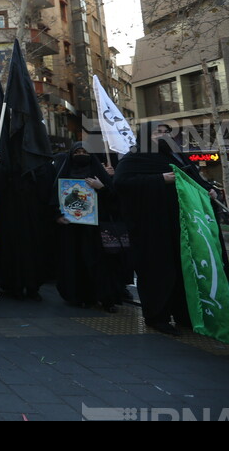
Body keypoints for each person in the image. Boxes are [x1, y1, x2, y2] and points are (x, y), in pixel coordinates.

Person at [114, 122, 223, 335]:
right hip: (152, 228)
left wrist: (209, 190)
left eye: (166, 133)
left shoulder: (176, 156)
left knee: (184, 270)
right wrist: (159, 179)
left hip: (182, 225)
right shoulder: (134, 158)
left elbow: (194, 178)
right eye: (158, 132)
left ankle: (185, 315)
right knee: (157, 271)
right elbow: (121, 184)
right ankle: (157, 317)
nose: (163, 136)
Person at [52, 142, 126, 313]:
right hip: (72, 232)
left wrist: (101, 188)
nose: (80, 154)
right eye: (77, 152)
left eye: (85, 151)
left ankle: (106, 298)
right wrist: (58, 216)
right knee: (76, 263)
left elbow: (115, 199)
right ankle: (81, 297)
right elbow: (53, 199)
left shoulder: (99, 175)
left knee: (101, 265)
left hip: (96, 231)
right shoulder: (64, 175)